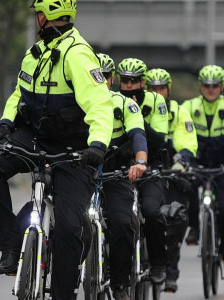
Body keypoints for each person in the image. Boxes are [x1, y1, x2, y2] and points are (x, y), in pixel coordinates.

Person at [0, 1, 114, 299]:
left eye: (37, 14)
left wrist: (98, 145)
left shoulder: (78, 54)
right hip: (35, 137)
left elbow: (101, 105)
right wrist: (5, 125)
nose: (35, 19)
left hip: (74, 150)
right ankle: (10, 243)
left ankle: (64, 294)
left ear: (45, 16)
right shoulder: (34, 53)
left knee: (67, 226)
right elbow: (19, 94)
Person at [181, 65, 224, 280]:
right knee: (186, 183)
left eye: (215, 85)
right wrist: (181, 160)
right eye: (206, 85)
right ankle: (194, 226)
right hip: (198, 162)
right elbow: (180, 134)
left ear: (222, 86)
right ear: (200, 86)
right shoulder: (189, 106)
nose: (210, 89)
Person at [96, 53, 148, 300]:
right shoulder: (75, 101)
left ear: (111, 78)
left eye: (105, 76)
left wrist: (140, 161)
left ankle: (119, 285)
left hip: (116, 176)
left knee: (122, 224)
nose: (100, 80)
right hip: (82, 177)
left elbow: (138, 132)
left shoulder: (127, 104)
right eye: (95, 75)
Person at [116, 58, 169, 284]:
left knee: (151, 211)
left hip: (151, 167)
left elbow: (158, 140)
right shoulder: (113, 100)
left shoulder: (157, 101)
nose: (129, 85)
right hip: (120, 167)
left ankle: (158, 263)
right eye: (125, 81)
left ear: (143, 82)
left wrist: (136, 116)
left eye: (134, 81)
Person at [144, 68, 197, 292]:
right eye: (152, 88)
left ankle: (171, 271)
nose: (157, 92)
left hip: (171, 171)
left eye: (161, 88)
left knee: (175, 217)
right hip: (145, 170)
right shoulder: (140, 107)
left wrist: (181, 161)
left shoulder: (178, 111)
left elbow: (187, 140)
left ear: (169, 90)